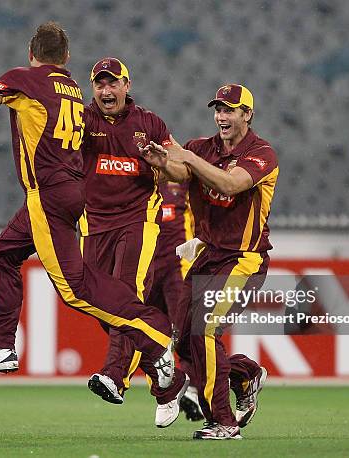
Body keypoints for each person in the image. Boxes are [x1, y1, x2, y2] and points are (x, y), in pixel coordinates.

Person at [0, 22, 180, 393]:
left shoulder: (27, 80)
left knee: (75, 288)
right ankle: (2, 345)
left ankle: (154, 334)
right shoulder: (72, 88)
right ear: (66, 58)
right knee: (2, 254)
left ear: (31, 54)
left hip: (47, 194)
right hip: (66, 190)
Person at [141, 83, 277, 440]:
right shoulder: (203, 148)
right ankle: (245, 374)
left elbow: (232, 185)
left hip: (244, 260)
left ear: (247, 114)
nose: (222, 116)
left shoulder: (262, 154)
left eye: (230, 110)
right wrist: (165, 166)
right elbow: (184, 173)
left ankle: (224, 422)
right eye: (218, 109)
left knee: (206, 330)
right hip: (207, 256)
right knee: (184, 343)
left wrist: (189, 159)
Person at [79, 58, 189, 428]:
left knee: (125, 295)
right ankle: (166, 375)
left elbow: (180, 169)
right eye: (100, 85)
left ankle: (115, 376)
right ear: (92, 88)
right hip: (93, 225)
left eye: (113, 84)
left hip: (137, 221)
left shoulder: (149, 123)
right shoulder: (81, 121)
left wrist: (162, 161)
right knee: (103, 307)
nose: (106, 91)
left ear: (127, 85)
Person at [148, 181, 203, 422]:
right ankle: (169, 393)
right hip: (147, 270)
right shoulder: (142, 185)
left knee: (184, 330)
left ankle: (193, 389)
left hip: (178, 268)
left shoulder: (185, 186)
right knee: (152, 335)